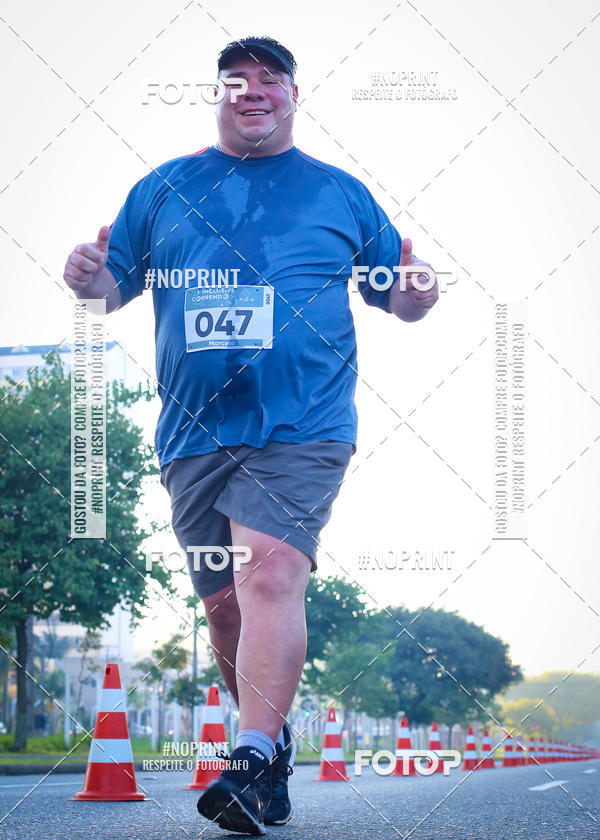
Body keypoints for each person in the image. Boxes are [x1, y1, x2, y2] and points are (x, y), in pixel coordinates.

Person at [63, 34, 438, 836]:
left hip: (304, 422)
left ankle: (250, 754)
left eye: (271, 79)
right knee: (225, 608)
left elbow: (397, 296)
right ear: (219, 96)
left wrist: (417, 287)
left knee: (268, 572)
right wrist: (90, 278)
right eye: (237, 80)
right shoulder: (165, 188)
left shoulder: (338, 193)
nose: (254, 90)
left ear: (295, 96)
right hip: (194, 433)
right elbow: (108, 291)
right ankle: (272, 744)